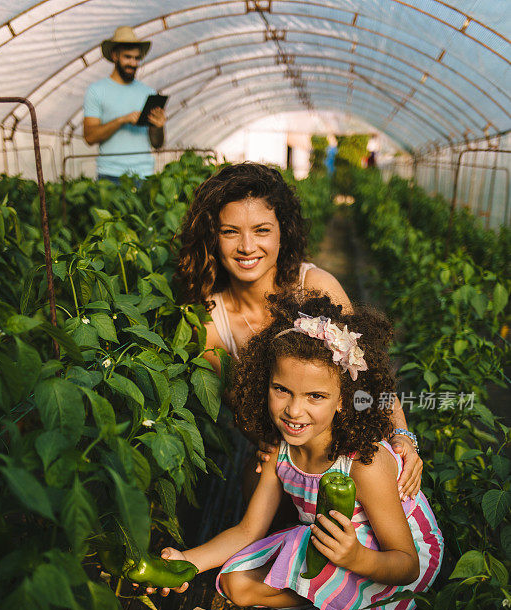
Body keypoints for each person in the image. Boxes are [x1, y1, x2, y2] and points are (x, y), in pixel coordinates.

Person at [159, 293, 443, 610]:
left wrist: (356, 559)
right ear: (264, 383)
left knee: (312, 552)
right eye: (281, 390)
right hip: (334, 543)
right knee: (237, 584)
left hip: (396, 555)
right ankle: (329, 606)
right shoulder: (281, 453)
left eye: (315, 396)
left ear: (344, 399)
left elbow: (405, 563)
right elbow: (248, 530)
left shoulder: (364, 462)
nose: (294, 410)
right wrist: (187, 562)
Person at [175, 163, 423, 534]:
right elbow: (242, 411)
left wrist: (403, 436)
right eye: (230, 232)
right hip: (286, 443)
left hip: (347, 440)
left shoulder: (315, 286)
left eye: (262, 231)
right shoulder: (210, 322)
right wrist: (268, 444)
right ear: (213, 237)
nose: (246, 247)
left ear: (282, 234)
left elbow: (368, 378)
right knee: (258, 482)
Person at [83, 26, 165, 182]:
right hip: (110, 174)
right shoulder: (96, 90)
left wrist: (158, 126)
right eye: (128, 57)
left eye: (136, 58)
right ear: (115, 56)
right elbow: (90, 137)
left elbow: (157, 144)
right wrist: (121, 120)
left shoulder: (148, 93)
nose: (133, 63)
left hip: (144, 174)